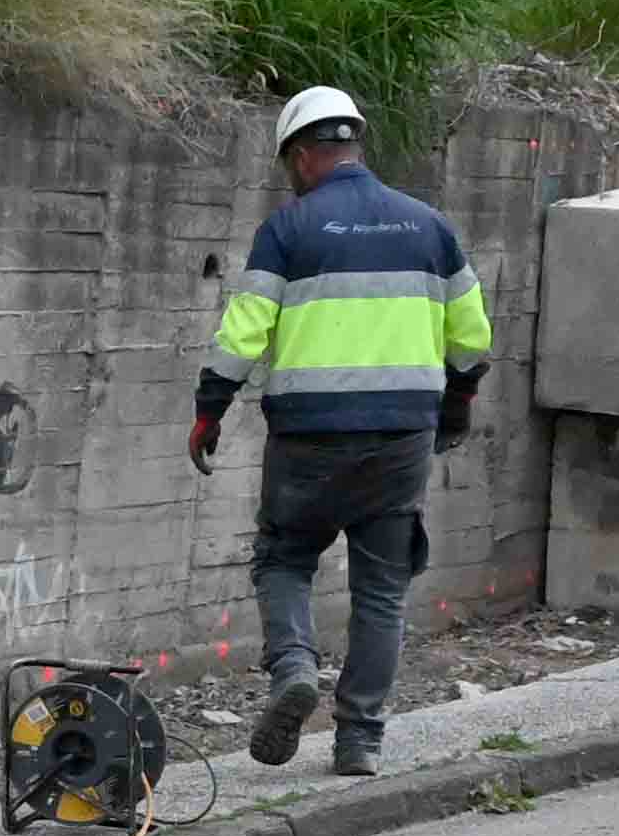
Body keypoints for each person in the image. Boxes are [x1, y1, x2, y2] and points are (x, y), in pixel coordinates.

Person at [191, 87, 492, 778]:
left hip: (307, 439)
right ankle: (359, 740)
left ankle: (295, 667)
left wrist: (211, 407)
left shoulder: (288, 229)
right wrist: (459, 400)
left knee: (284, 558)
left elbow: (243, 334)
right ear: (354, 143)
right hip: (399, 442)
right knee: (382, 591)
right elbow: (472, 337)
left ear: (301, 155)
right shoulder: (429, 226)